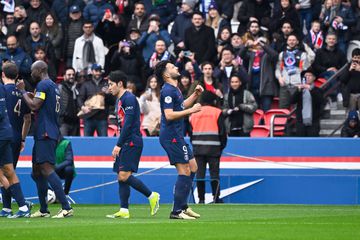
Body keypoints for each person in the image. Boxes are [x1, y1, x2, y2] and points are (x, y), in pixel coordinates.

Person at [16, 60, 73, 218]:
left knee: (47, 169)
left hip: (45, 132)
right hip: (45, 131)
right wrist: (32, 96)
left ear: (40, 70)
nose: (31, 73)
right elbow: (41, 103)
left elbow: (34, 106)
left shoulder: (43, 85)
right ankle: (43, 209)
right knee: (36, 171)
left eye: (33, 71)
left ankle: (66, 207)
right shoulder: (53, 86)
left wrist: (22, 91)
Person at [106, 70, 160, 219]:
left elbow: (128, 124)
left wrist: (118, 144)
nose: (109, 87)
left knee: (124, 176)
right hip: (126, 141)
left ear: (120, 84)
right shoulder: (120, 100)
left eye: (111, 84)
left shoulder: (129, 98)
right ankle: (124, 210)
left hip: (131, 141)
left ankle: (151, 195)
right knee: (121, 176)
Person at [155, 60, 203, 220]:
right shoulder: (167, 90)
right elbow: (169, 115)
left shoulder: (174, 89)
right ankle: (176, 211)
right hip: (171, 136)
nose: (176, 67)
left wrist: (195, 95)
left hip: (177, 135)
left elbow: (180, 106)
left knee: (193, 167)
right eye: (172, 67)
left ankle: (183, 205)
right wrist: (192, 110)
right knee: (185, 170)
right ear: (166, 74)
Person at [0, 62, 31, 218]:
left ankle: (19, 203)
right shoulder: (21, 93)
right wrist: (23, 138)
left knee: (3, 172)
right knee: (9, 171)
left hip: (3, 134)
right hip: (16, 136)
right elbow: (28, 118)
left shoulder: (3, 90)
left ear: (3, 75)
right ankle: (8, 207)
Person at [189, 91, 227, 204]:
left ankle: (201, 199)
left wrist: (195, 144)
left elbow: (190, 132)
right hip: (214, 149)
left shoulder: (194, 113)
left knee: (199, 174)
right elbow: (222, 133)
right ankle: (216, 198)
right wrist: (221, 147)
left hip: (198, 148)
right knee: (214, 174)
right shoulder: (217, 112)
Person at [292, 68, 324, 137]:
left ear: (314, 78)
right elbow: (292, 101)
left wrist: (311, 89)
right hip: (301, 122)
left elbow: (320, 101)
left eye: (310, 75)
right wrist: (298, 91)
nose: (307, 77)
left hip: (313, 122)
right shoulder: (300, 90)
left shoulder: (318, 90)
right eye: (306, 76)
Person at [55, 136, 76, 201]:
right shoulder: (46, 143)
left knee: (69, 169)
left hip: (62, 170)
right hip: (50, 169)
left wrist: (55, 168)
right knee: (37, 172)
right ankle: (50, 192)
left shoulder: (66, 143)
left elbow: (69, 160)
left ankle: (65, 194)